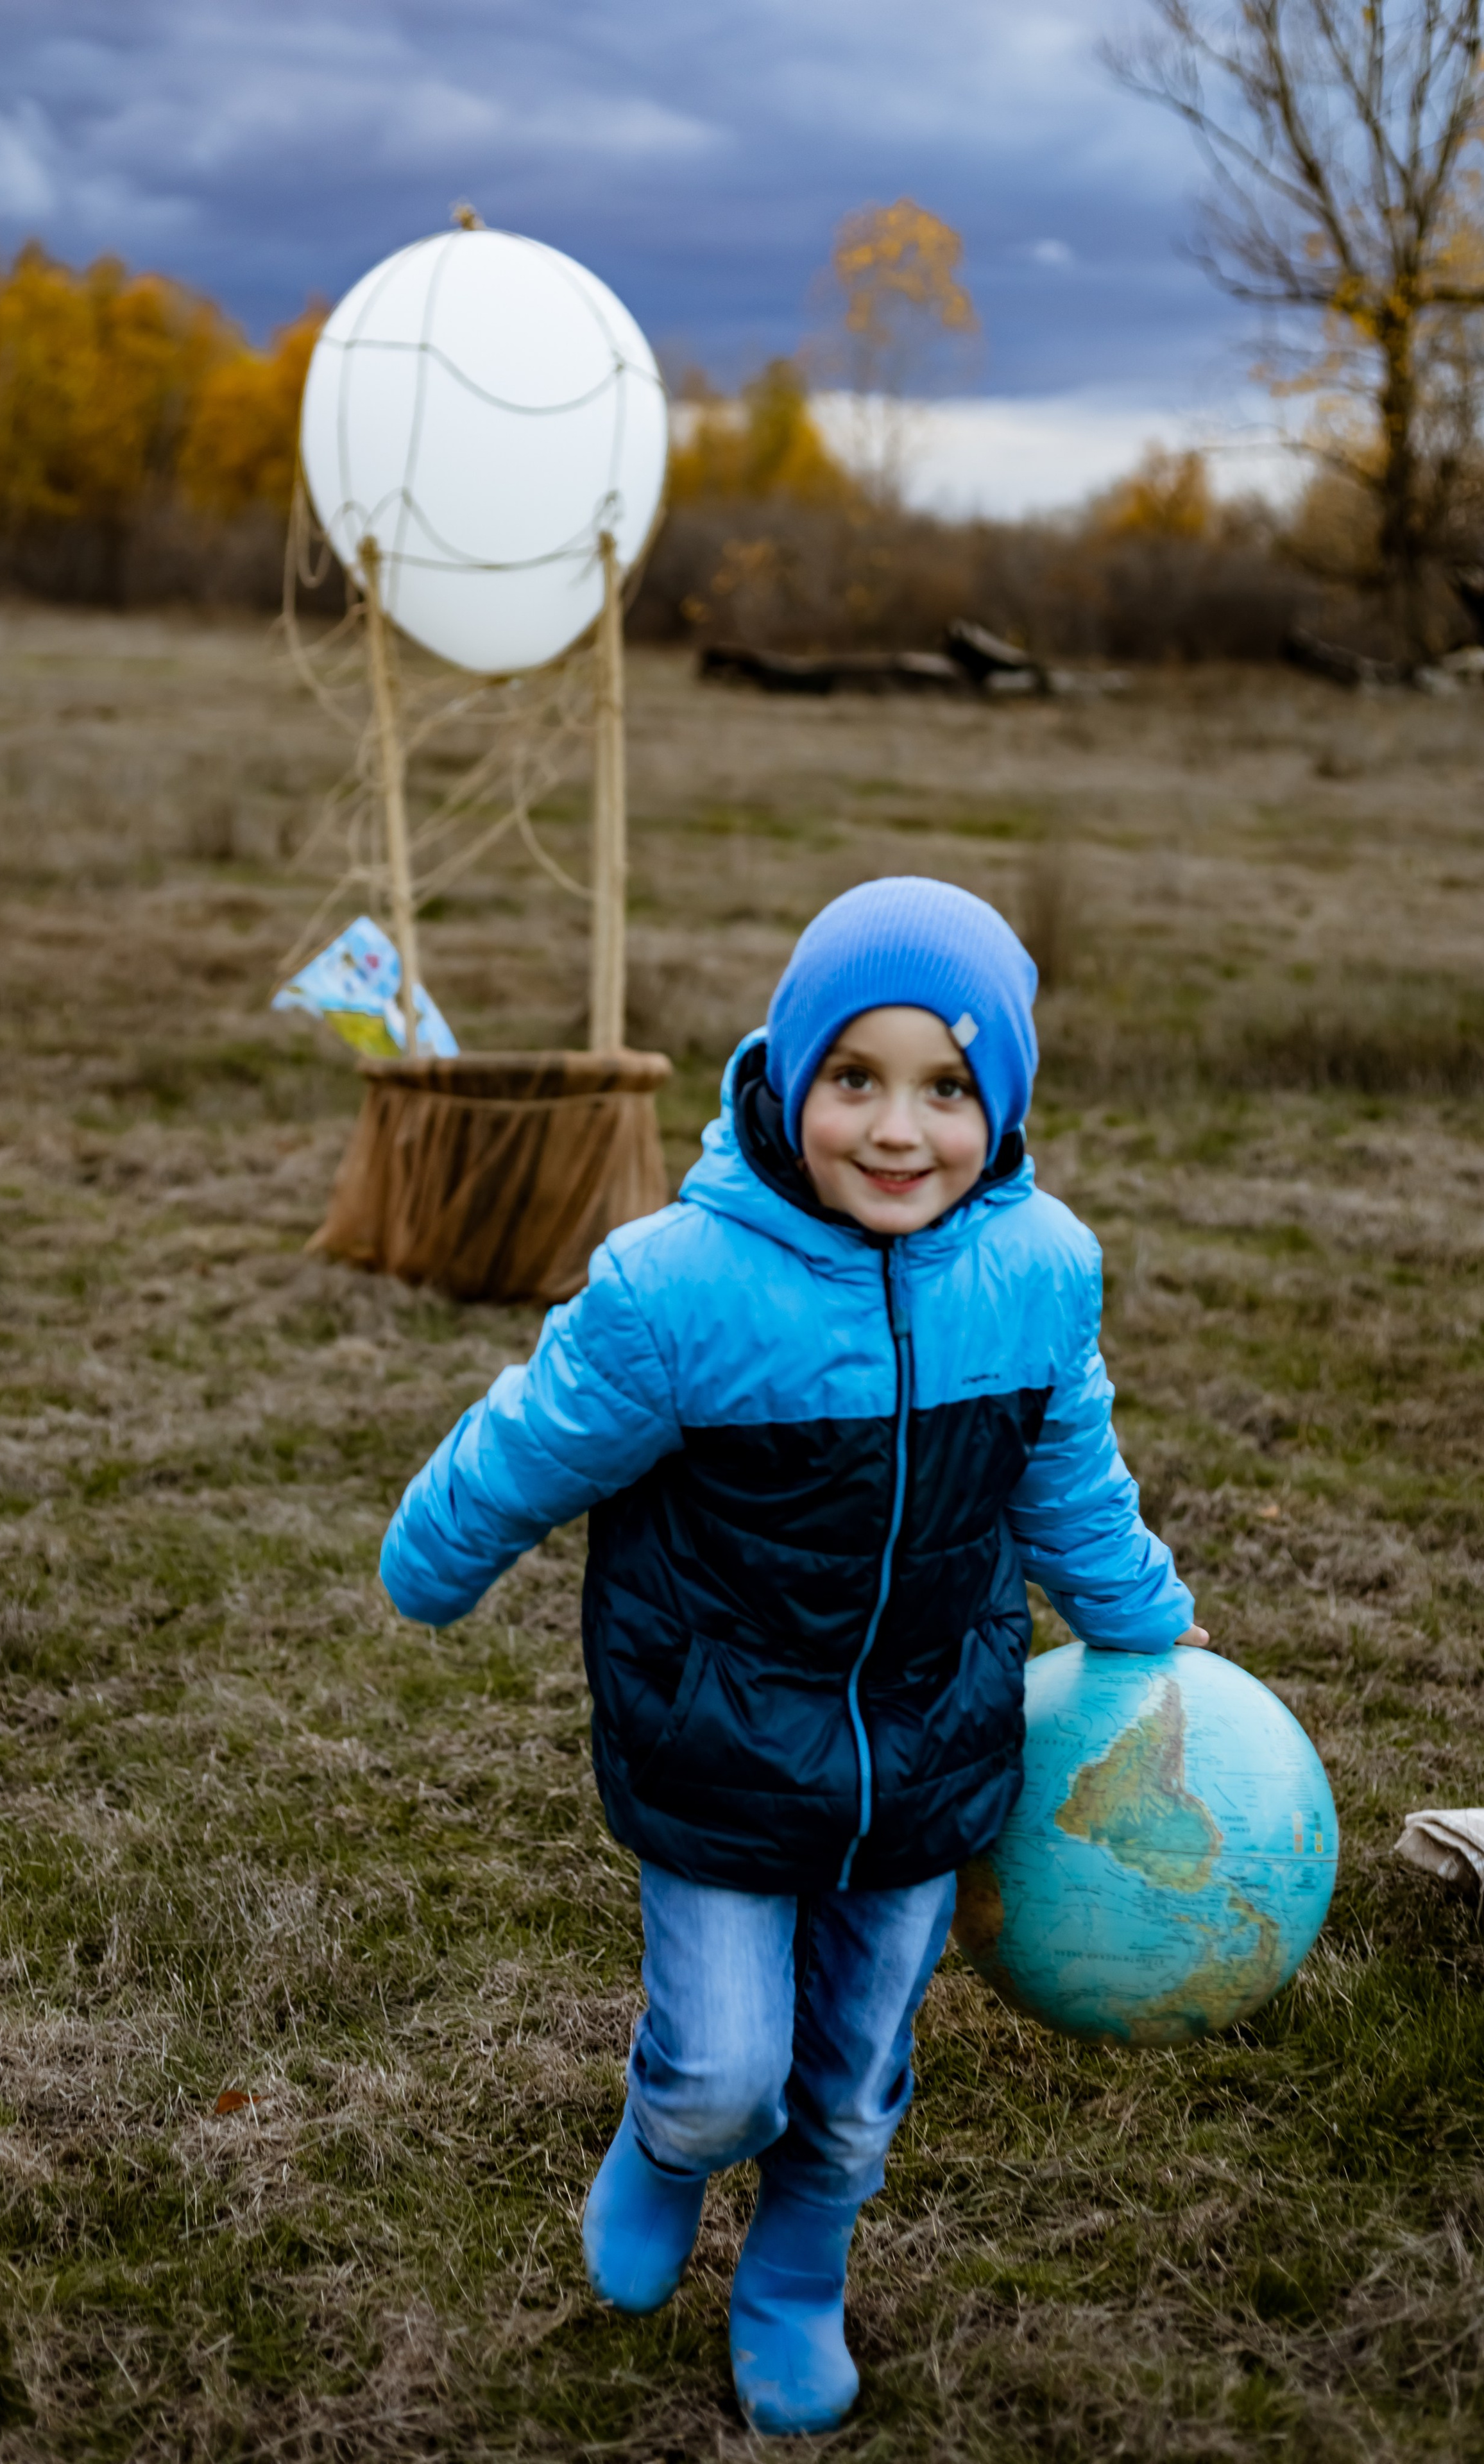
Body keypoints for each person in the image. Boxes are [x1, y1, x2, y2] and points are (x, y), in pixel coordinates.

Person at [379, 877, 1206, 2436]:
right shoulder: (680, 1289)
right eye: (855, 1080)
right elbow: (531, 1443)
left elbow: (1069, 1486)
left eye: (947, 1089)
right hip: (717, 1737)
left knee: (844, 2090)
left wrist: (1150, 1633)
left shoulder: (1035, 1275)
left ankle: (793, 2277)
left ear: (1002, 1106)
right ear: (785, 1078)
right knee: (724, 2071)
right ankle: (665, 2140)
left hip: (924, 1742)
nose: (898, 1131)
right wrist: (434, 1557)